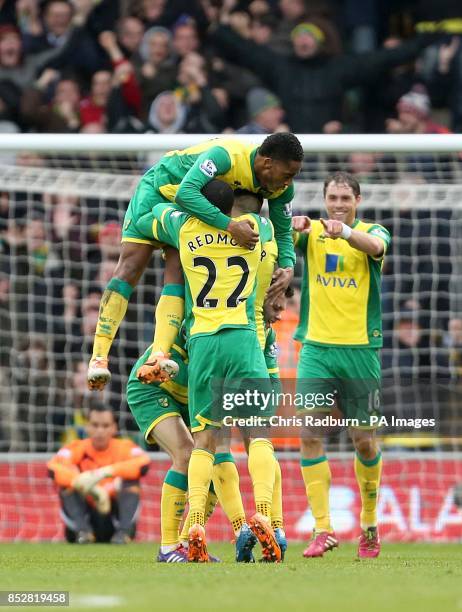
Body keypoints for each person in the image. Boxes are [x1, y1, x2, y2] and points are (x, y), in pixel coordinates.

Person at [87, 132, 302, 392]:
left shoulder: (280, 187)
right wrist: (230, 226)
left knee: (177, 267)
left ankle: (159, 355)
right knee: (131, 266)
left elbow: (283, 231)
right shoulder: (226, 155)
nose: (290, 182)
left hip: (197, 207)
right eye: (288, 174)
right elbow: (185, 192)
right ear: (267, 163)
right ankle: (99, 356)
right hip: (161, 192)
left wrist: (288, 266)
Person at [150, 181, 282, 563]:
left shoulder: (184, 227)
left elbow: (161, 202)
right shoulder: (260, 230)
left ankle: (195, 523)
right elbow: (273, 225)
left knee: (204, 441)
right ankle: (264, 515)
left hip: (203, 341)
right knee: (258, 434)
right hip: (242, 338)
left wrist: (183, 185)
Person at [292, 171, 391, 559]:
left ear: (358, 201)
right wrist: (292, 224)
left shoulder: (373, 232)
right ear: (324, 199)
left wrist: (344, 233)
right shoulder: (312, 233)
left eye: (345, 199)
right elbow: (282, 235)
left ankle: (368, 524)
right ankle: (323, 528)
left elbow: (375, 247)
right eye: (332, 198)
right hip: (316, 349)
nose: (337, 205)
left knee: (364, 441)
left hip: (361, 351)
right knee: (309, 435)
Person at [209, 8, 442, 132]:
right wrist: (216, 29)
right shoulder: (280, 67)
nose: (302, 40)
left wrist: (425, 41)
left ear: (319, 42)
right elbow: (246, 51)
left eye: (308, 36)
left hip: (329, 150)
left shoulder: (337, 68)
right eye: (298, 36)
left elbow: (382, 59)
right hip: (290, 148)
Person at [47, 404, 150, 544]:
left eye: (105, 425)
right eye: (95, 425)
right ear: (87, 426)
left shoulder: (124, 447)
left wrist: (105, 473)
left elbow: (143, 464)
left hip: (114, 516)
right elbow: (53, 468)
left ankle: (123, 533)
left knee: (131, 482)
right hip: (86, 514)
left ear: (114, 428)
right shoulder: (76, 448)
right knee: (66, 484)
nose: (100, 431)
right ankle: (83, 532)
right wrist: (84, 484)